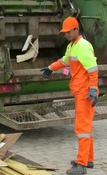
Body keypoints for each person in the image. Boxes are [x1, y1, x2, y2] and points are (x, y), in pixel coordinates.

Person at [41, 17, 98, 175]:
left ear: (76, 29)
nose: (66, 35)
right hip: (81, 91)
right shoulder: (72, 46)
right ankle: (88, 159)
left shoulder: (83, 46)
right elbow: (65, 61)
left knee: (82, 128)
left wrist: (93, 89)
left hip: (86, 93)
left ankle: (81, 165)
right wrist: (51, 67)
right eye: (64, 32)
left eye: (68, 32)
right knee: (86, 128)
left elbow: (93, 69)